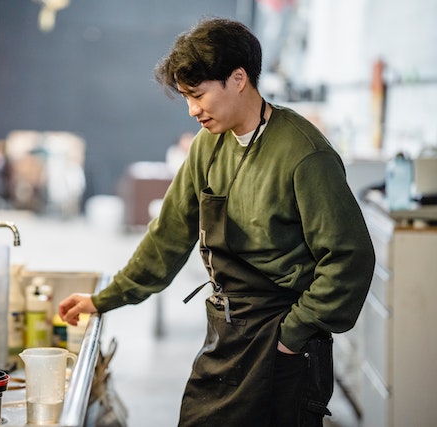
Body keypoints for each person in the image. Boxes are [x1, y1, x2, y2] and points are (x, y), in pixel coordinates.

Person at [59, 17, 375, 427]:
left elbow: (350, 258)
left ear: (238, 79)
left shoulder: (303, 154)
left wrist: (294, 335)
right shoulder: (208, 146)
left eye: (199, 95)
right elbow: (168, 236)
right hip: (225, 333)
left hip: (283, 341)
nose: (192, 110)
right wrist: (105, 298)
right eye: (186, 97)